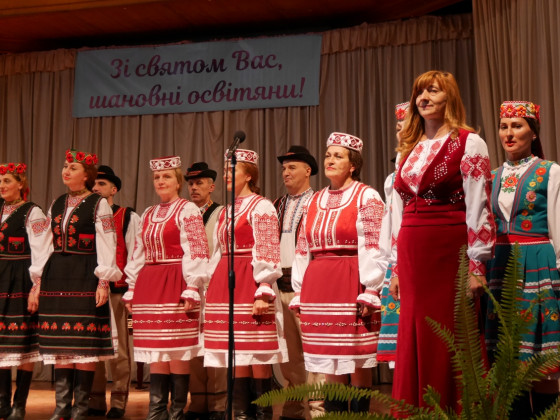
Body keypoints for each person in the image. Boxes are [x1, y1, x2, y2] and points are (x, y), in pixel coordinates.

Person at [388, 71, 495, 414]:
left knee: (449, 328)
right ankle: (416, 409)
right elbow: (398, 211)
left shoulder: (469, 142)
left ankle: (453, 410)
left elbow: (479, 205)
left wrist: (476, 265)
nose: (424, 98)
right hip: (411, 249)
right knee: (414, 329)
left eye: (433, 91)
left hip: (448, 248)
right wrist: (395, 268)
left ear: (449, 96)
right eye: (419, 92)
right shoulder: (408, 149)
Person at [289, 132, 386, 413]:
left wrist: (371, 288)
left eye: (338, 156)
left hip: (351, 281)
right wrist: (299, 290)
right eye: (328, 155)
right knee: (330, 360)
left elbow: (374, 243)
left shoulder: (366, 196)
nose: (330, 160)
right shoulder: (314, 200)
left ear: (353, 164)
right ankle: (335, 414)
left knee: (355, 357)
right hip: (318, 285)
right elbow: (303, 247)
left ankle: (359, 414)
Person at [485, 101, 560, 418]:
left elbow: (557, 223)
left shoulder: (550, 171)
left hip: (537, 263)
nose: (509, 133)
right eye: (504, 126)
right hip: (501, 266)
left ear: (533, 132)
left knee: (540, 360)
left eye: (517, 126)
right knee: (509, 359)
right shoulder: (492, 176)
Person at [34, 149, 122, 420]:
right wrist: (38, 280)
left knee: (83, 343)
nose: (66, 171)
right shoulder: (57, 202)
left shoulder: (99, 204)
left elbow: (107, 242)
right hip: (56, 275)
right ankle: (62, 407)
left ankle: (80, 408)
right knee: (61, 341)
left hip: (85, 273)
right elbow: (45, 242)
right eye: (65, 166)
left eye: (73, 167)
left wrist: (103, 281)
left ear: (87, 175)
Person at [123, 156, 209, 420]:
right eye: (157, 177)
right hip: (150, 284)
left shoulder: (188, 209)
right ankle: (157, 412)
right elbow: (138, 251)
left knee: (177, 350)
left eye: (167, 176)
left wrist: (192, 285)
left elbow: (196, 248)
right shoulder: (148, 213)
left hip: (175, 281)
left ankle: (176, 412)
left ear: (178, 182)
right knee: (157, 351)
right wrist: (132, 286)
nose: (161, 181)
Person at [204, 148, 287, 420]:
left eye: (233, 170)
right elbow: (217, 251)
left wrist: (264, 287)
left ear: (249, 175)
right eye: (225, 170)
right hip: (226, 280)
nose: (227, 174)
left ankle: (262, 414)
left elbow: (267, 247)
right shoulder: (226, 210)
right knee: (237, 351)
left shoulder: (261, 206)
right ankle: (241, 414)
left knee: (257, 351)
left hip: (250, 280)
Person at [274, 145, 325, 419]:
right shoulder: (276, 205)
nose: (286, 172)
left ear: (308, 170)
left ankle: (318, 410)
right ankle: (293, 409)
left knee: (314, 351)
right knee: (290, 355)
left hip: (308, 286)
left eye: (292, 167)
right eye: (284, 168)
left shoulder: (318, 202)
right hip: (279, 286)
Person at [88, 165, 141, 419]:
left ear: (113, 189)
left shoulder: (127, 216)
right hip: (90, 290)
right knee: (93, 347)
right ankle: (95, 399)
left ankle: (119, 401)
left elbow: (135, 254)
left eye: (101, 184)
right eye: (93, 184)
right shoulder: (86, 216)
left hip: (117, 290)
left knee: (119, 348)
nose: (95, 188)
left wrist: (132, 289)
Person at [0, 162, 49, 420]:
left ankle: (19, 404)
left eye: (7, 180)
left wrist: (37, 285)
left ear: (20, 184)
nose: (2, 186)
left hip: (21, 279)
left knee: (23, 341)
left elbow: (42, 250)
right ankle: (2, 402)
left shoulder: (33, 212)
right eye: (0, 181)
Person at [183, 162, 226, 420]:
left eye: (199, 183)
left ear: (212, 186)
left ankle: (219, 404)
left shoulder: (221, 213)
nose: (194, 188)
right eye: (190, 183)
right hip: (190, 289)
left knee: (214, 345)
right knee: (193, 347)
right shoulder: (184, 213)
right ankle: (198, 402)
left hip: (213, 287)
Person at [377, 102, 408, 366]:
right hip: (398, 262)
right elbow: (391, 226)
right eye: (398, 128)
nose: (400, 133)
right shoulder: (392, 178)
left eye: (406, 127)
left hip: (422, 256)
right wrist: (391, 265)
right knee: (400, 355)